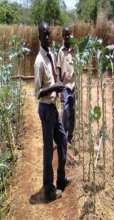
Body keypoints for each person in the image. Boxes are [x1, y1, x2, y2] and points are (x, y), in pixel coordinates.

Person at [34, 21, 70, 202]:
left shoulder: (51, 56)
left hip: (53, 108)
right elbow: (37, 92)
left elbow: (55, 79)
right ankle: (48, 189)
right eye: (44, 35)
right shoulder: (39, 61)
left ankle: (61, 179)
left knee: (63, 141)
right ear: (39, 37)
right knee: (49, 149)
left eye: (49, 34)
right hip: (46, 109)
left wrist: (59, 88)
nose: (48, 37)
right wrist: (53, 87)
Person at [57, 27, 75, 146]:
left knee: (72, 111)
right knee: (66, 110)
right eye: (65, 35)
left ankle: (70, 136)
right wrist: (59, 84)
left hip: (73, 85)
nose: (67, 37)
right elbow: (58, 68)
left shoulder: (74, 50)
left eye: (69, 34)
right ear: (62, 37)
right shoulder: (61, 51)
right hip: (65, 85)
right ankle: (64, 134)